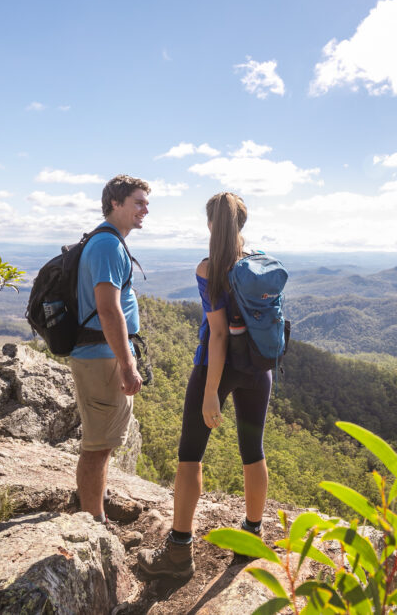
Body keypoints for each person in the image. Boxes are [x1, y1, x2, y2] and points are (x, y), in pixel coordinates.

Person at [138, 192, 272, 580]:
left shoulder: (209, 268)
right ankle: (251, 538)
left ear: (211, 224)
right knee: (253, 450)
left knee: (190, 455)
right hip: (258, 368)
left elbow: (217, 336)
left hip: (217, 367)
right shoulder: (259, 263)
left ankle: (179, 552)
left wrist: (212, 389)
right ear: (242, 225)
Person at [70, 174, 149, 524]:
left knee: (102, 443)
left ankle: (93, 506)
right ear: (115, 203)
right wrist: (128, 365)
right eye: (138, 202)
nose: (145, 209)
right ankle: (92, 521)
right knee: (98, 446)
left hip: (103, 354)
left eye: (146, 203)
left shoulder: (109, 242)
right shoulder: (107, 246)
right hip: (102, 358)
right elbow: (107, 308)